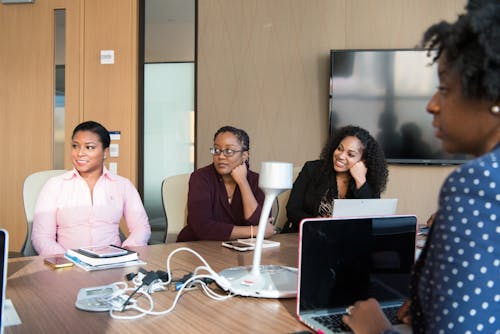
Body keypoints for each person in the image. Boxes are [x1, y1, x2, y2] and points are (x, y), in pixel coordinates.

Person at [342, 1, 500, 333]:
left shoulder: (477, 184)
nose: (432, 104)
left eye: (444, 88)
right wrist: (432, 306)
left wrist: (377, 330)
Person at [32, 121, 151, 256]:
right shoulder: (54, 185)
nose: (79, 153)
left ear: (105, 152)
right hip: (68, 266)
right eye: (75, 146)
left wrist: (125, 254)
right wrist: (65, 260)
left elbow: (141, 227)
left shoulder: (122, 185)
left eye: (89, 147)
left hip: (112, 264)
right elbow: (41, 236)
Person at [177, 126, 275, 242]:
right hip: (197, 247)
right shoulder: (200, 178)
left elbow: (261, 223)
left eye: (229, 151)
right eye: (217, 150)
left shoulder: (257, 181)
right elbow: (202, 227)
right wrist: (253, 231)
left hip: (240, 250)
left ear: (244, 156)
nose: (221, 156)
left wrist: (243, 183)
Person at [284, 125, 388, 232]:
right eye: (339, 149)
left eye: (350, 154)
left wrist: (360, 181)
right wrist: (314, 222)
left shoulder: (368, 182)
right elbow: (292, 209)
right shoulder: (312, 169)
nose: (341, 156)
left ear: (363, 161)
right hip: (306, 235)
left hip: (344, 241)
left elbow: (371, 220)